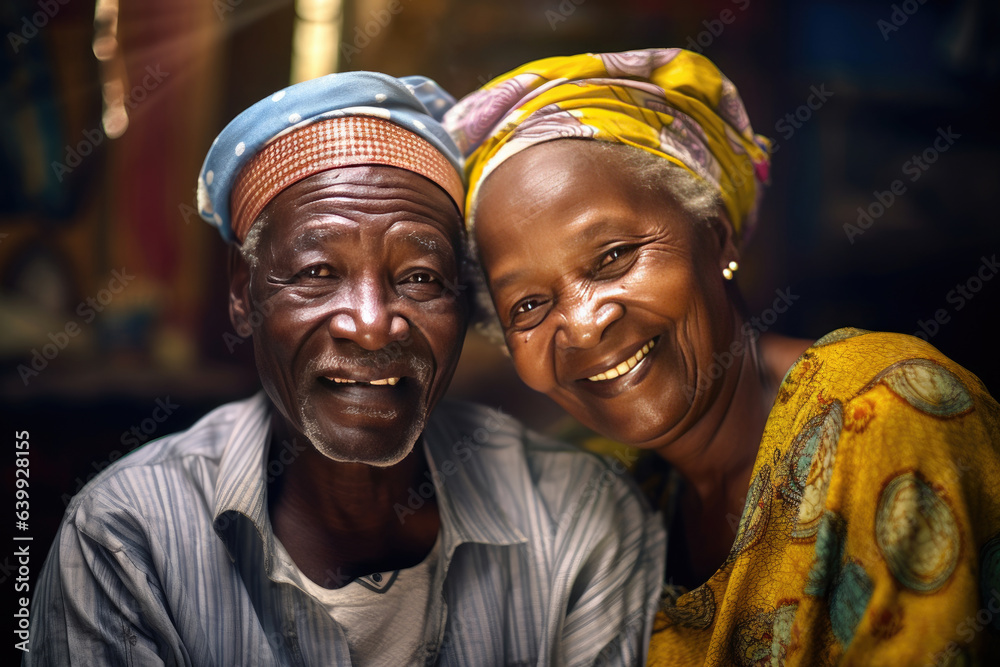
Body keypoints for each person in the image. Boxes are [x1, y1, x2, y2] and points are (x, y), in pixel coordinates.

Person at [24, 72, 666, 666]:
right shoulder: (127, 540)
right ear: (244, 292)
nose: (370, 322)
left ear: (465, 305)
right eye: (316, 273)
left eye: (420, 277)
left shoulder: (581, 518)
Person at [444, 48, 1000, 665]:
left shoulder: (883, 412)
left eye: (614, 257)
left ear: (715, 236)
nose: (582, 326)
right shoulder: (617, 498)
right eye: (527, 306)